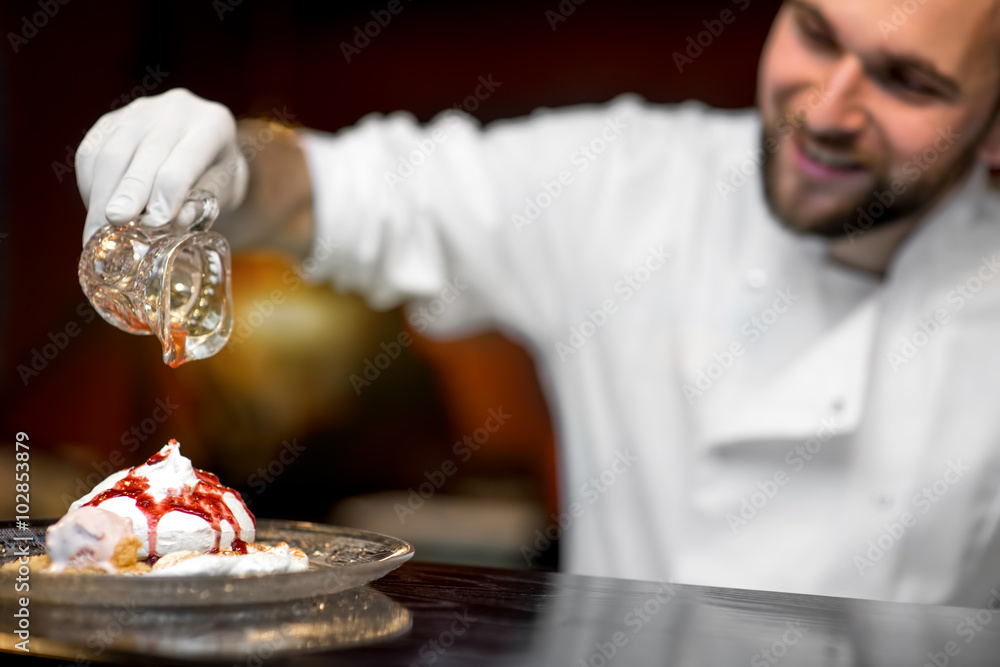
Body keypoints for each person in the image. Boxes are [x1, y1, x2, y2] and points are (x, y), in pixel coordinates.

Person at [75, 0, 1000, 605]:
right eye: (816, 33)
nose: (828, 107)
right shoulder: (626, 183)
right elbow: (345, 192)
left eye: (908, 81)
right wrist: (231, 164)